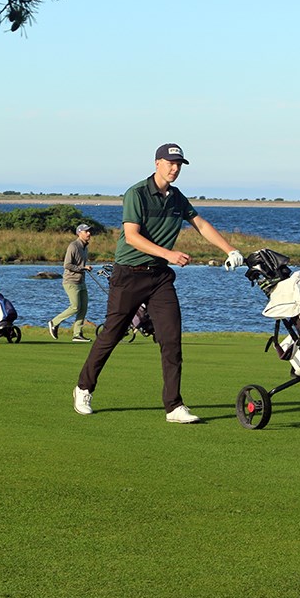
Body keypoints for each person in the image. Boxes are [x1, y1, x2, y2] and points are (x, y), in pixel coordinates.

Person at [73, 144, 244, 423]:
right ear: (157, 163)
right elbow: (132, 237)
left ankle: (174, 406)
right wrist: (170, 254)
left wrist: (230, 250)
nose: (175, 168)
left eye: (179, 164)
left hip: (159, 277)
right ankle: (83, 388)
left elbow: (201, 224)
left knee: (171, 338)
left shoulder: (177, 198)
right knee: (112, 334)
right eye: (170, 163)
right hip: (128, 274)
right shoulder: (136, 193)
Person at [48, 223, 93, 342]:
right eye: (86, 231)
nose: (89, 233)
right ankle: (54, 322)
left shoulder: (85, 247)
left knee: (83, 308)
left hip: (81, 281)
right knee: (75, 307)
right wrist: (82, 268)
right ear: (79, 233)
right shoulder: (73, 246)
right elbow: (67, 265)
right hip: (70, 281)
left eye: (89, 231)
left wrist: (83, 269)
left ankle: (77, 334)